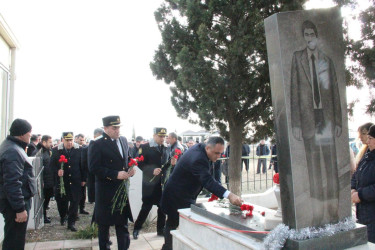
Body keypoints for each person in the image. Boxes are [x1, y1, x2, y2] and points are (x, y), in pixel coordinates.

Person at [290, 20, 342, 226]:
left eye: (312, 34)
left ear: (317, 36)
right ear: (304, 37)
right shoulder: (297, 58)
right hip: (308, 120)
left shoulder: (326, 60)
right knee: (313, 169)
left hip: (327, 119)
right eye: (306, 34)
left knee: (330, 166)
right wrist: (295, 123)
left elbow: (335, 93)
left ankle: (333, 212)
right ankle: (317, 215)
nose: (310, 37)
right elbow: (294, 91)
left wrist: (337, 120)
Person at [160, 137, 242, 250]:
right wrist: (229, 195)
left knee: (174, 223)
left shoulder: (201, 149)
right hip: (177, 196)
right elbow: (207, 180)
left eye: (220, 153)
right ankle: (168, 248)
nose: (218, 156)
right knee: (174, 224)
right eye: (216, 153)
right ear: (208, 148)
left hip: (182, 193)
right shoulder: (198, 158)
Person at [88, 116, 135, 250]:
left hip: (121, 190)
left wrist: (131, 167)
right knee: (104, 227)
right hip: (105, 191)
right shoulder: (97, 143)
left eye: (119, 127)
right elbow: (94, 168)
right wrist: (115, 174)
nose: (117, 130)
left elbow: (126, 158)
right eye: (114, 128)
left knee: (123, 225)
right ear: (105, 128)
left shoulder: (123, 140)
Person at [0, 118, 36, 250]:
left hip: (14, 203)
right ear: (22, 133)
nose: (30, 135)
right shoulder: (12, 151)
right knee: (14, 241)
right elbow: (12, 183)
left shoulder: (12, 147)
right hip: (14, 206)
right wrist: (20, 209)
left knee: (15, 238)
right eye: (29, 133)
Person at [133, 128, 169, 239]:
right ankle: (136, 228)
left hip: (161, 183)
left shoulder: (166, 147)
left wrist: (171, 163)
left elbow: (165, 164)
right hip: (150, 183)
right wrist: (151, 170)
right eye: (160, 136)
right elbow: (139, 163)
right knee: (146, 207)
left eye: (164, 136)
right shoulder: (145, 147)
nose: (162, 139)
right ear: (154, 135)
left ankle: (160, 230)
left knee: (162, 208)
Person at [50, 132, 84, 231]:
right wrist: (57, 171)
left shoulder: (79, 149)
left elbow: (82, 165)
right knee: (61, 201)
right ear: (62, 140)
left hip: (75, 180)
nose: (69, 143)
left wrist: (83, 179)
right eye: (67, 140)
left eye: (71, 140)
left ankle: (71, 223)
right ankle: (63, 216)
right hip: (62, 182)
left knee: (74, 202)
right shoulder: (56, 150)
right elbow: (51, 166)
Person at [351, 124, 375, 243]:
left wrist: (360, 195)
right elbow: (356, 175)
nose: (367, 141)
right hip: (364, 213)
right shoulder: (367, 156)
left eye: (370, 138)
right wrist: (352, 189)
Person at [35, 135, 54, 224]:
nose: (51, 144)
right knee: (43, 199)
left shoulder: (47, 151)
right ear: (44, 142)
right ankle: (43, 216)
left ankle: (44, 215)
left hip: (49, 179)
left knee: (47, 199)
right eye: (49, 142)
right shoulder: (39, 152)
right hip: (44, 180)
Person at [83, 128, 103, 204]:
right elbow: (84, 161)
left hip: (99, 170)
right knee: (91, 185)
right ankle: (91, 199)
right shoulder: (88, 147)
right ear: (94, 136)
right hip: (90, 170)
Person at [76, 133, 89, 215]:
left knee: (83, 193)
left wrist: (84, 178)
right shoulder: (73, 148)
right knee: (76, 194)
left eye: (83, 140)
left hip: (82, 173)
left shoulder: (85, 149)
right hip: (75, 173)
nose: (82, 142)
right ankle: (75, 211)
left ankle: (82, 208)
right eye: (80, 140)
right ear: (76, 139)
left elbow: (84, 164)